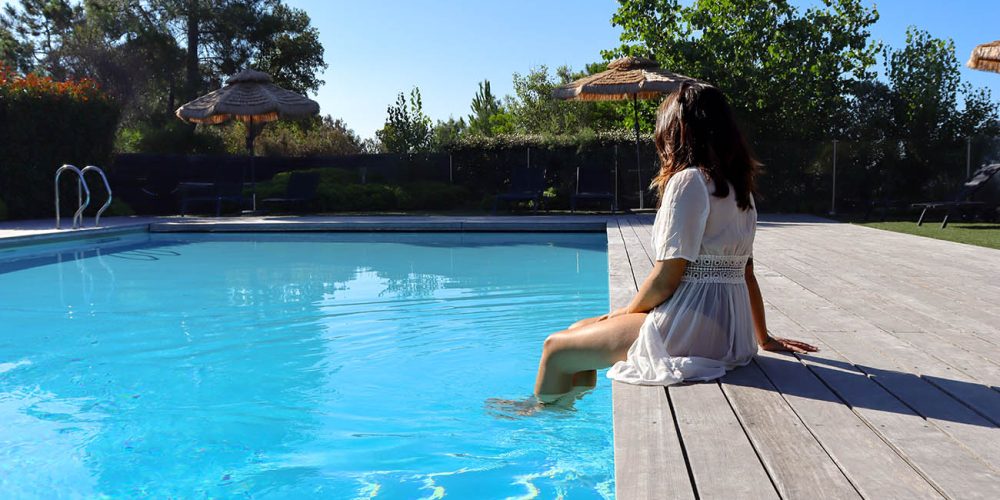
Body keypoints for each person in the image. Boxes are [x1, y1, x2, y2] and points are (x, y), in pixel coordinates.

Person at [533, 82, 818, 404]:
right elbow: (747, 273)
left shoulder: (690, 181)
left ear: (677, 130)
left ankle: (544, 416)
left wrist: (624, 312)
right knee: (578, 328)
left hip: (691, 330)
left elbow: (667, 277)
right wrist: (761, 338)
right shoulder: (741, 192)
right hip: (730, 335)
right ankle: (566, 405)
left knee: (554, 349)